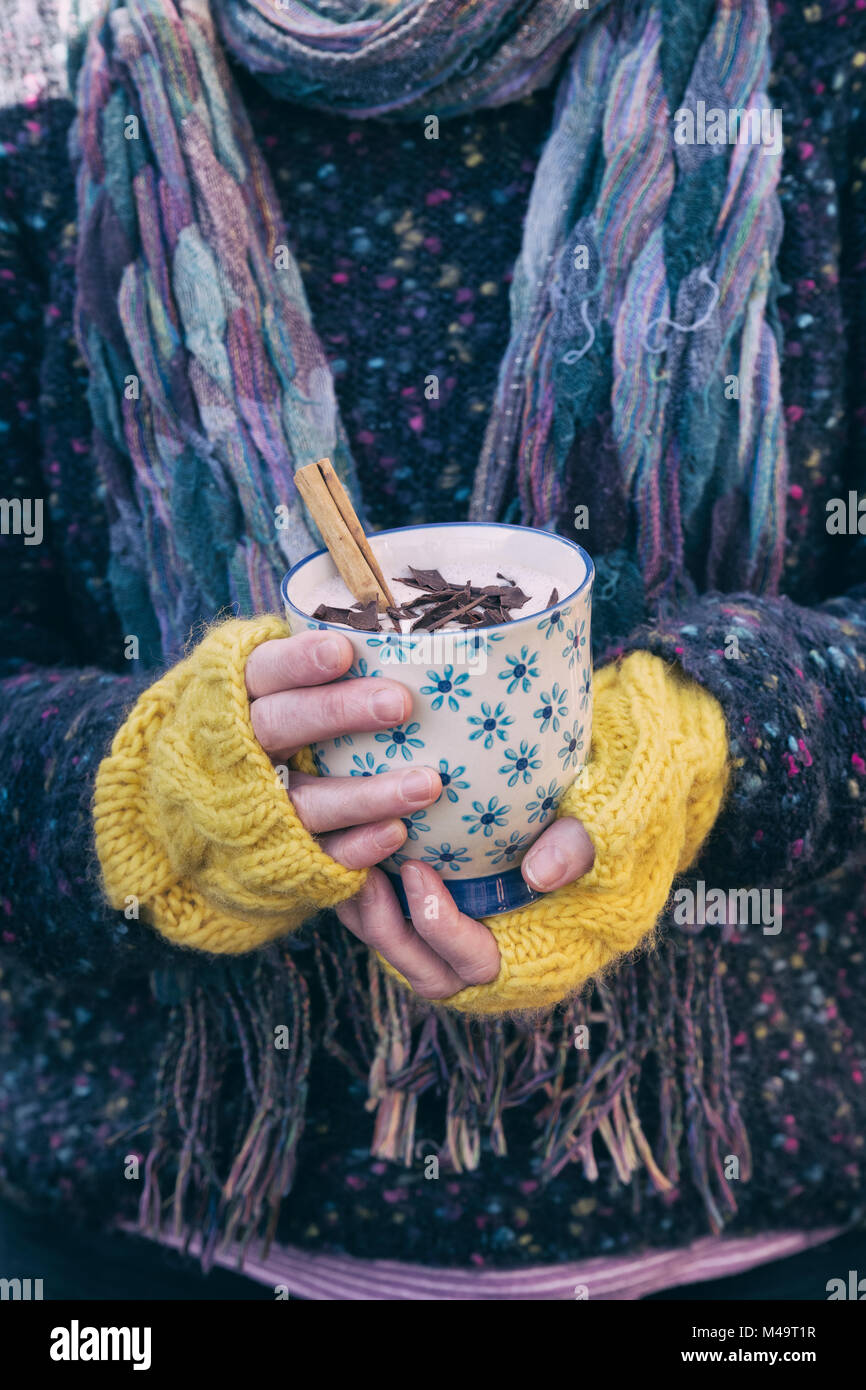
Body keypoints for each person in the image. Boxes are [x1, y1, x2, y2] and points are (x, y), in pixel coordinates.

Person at [1, 0, 865, 1298]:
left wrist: (722, 736)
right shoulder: (46, 132)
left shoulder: (815, 76)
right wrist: (135, 796)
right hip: (154, 1258)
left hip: (750, 1260)